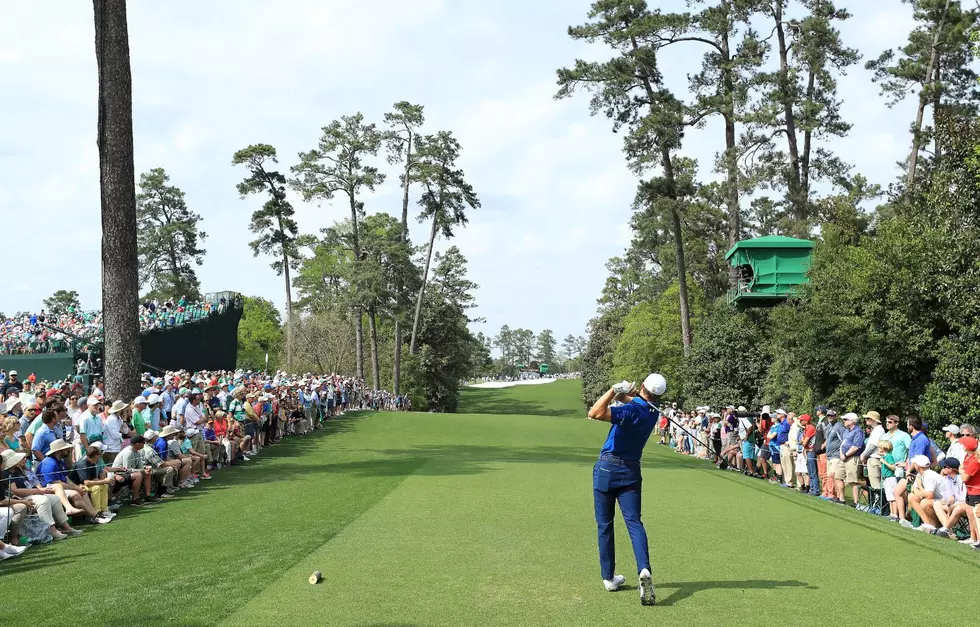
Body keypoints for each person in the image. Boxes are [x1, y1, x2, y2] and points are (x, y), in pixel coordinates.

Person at [586, 374, 664, 606]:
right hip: (631, 471)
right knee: (634, 523)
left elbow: (595, 413)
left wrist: (612, 390)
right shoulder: (652, 410)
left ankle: (609, 577)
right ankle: (644, 569)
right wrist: (624, 392)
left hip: (608, 468)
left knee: (605, 525)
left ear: (643, 387)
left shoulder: (630, 412)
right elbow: (634, 400)